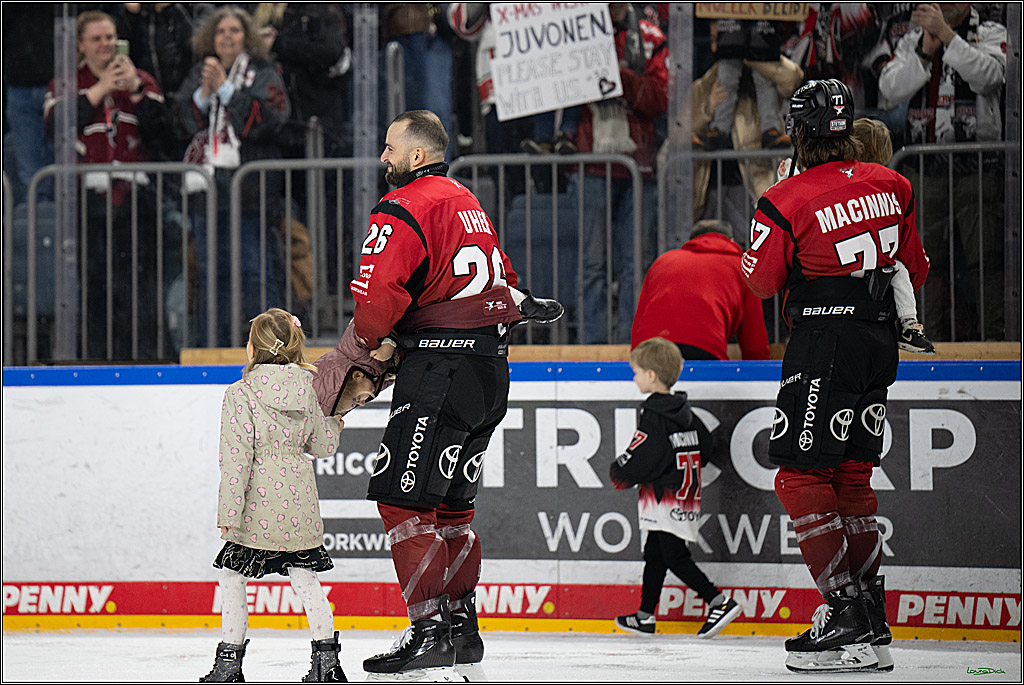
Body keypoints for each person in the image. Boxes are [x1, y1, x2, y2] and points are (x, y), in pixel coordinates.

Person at [343, 109, 559, 678]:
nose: (383, 157)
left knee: (402, 500)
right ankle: (463, 630)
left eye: (390, 147)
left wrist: (366, 345)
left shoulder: (401, 207)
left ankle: (429, 631)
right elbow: (502, 278)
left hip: (438, 370)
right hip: (490, 370)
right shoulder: (468, 201)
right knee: (453, 508)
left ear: (417, 155)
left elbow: (377, 298)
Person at [741, 79, 929, 673]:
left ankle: (844, 613)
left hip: (824, 340)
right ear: (848, 127)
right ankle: (871, 622)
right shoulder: (892, 184)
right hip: (879, 343)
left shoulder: (786, 197)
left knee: (798, 477)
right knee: (851, 476)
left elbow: (761, 282)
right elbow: (915, 269)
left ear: (797, 132)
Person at [202, 308, 346, 683]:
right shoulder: (309, 389)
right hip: (298, 503)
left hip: (255, 507)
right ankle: (327, 665)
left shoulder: (241, 393)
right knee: (306, 578)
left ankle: (228, 666)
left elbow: (236, 461)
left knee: (233, 577)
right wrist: (336, 420)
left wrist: (228, 514)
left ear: (253, 350)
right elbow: (323, 445)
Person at [43, 10, 179, 361]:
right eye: (96, 39)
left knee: (142, 288)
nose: (105, 45)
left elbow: (164, 132)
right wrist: (101, 88)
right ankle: (97, 362)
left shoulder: (142, 80)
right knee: (95, 288)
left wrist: (135, 90)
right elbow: (55, 126)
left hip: (136, 200)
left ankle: (149, 362)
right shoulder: (67, 82)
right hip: (87, 202)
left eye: (109, 38)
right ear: (80, 44)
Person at [877, 2, 1006, 341]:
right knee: (921, 266)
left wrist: (948, 37)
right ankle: (925, 337)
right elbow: (888, 90)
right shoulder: (914, 36)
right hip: (925, 168)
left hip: (976, 165)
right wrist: (922, 50)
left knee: (987, 261)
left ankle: (997, 341)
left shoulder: (990, 30)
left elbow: (991, 77)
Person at [610, 337, 743, 639]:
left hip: (663, 496)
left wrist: (619, 471)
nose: (634, 377)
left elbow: (644, 456)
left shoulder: (655, 414)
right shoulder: (684, 411)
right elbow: (705, 448)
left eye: (637, 371)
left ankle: (719, 602)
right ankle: (645, 615)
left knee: (673, 555)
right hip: (685, 496)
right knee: (655, 552)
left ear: (651, 375)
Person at [174, 5, 291, 347]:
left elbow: (272, 118)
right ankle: (217, 347)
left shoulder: (263, 71)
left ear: (246, 37)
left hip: (250, 193)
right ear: (211, 37)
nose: (227, 36)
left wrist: (226, 91)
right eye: (221, 31)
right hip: (207, 195)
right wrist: (203, 96)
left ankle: (270, 349)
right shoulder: (200, 72)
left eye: (235, 31)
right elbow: (178, 121)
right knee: (214, 275)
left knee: (255, 272)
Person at [774, 118, 936, 354]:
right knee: (898, 269)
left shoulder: (821, 189)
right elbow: (917, 268)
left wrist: (785, 184)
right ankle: (910, 325)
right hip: (875, 321)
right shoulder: (893, 190)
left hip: (822, 318)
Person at [577, 2, 668, 344]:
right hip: (591, 164)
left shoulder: (650, 36)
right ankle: (591, 350)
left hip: (639, 167)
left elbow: (661, 99)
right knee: (592, 265)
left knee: (637, 263)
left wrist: (618, 75)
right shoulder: (572, 33)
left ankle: (636, 346)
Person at [631, 219, 770, 361]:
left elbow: (640, 316)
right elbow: (754, 341)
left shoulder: (663, 261)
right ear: (731, 241)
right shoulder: (741, 268)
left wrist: (636, 360)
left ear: (692, 240)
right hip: (703, 349)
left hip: (649, 349)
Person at [698, 18, 792, 150]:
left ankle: (771, 130)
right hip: (731, 18)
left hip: (761, 19)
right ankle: (719, 130)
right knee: (726, 76)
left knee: (763, 74)